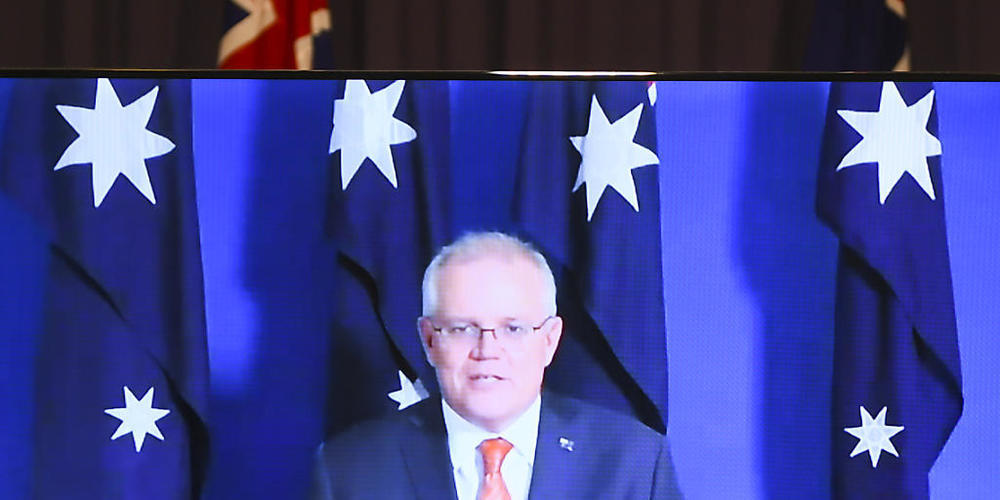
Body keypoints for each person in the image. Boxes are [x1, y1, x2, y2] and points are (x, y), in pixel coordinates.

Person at [312, 232, 682, 499]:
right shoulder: (348, 471)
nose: (488, 350)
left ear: (549, 340)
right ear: (429, 340)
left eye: (513, 328)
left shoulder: (635, 463)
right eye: (462, 329)